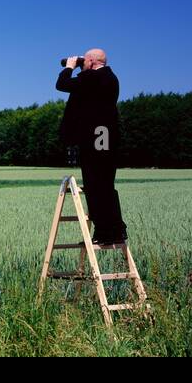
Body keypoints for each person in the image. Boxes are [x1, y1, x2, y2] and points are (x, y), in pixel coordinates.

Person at [56, 48, 127, 245]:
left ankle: (105, 232)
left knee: (95, 184)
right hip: (106, 137)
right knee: (105, 184)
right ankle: (113, 230)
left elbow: (62, 84)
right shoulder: (111, 78)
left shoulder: (94, 78)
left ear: (92, 61)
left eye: (84, 60)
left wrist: (70, 67)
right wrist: (83, 68)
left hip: (95, 138)